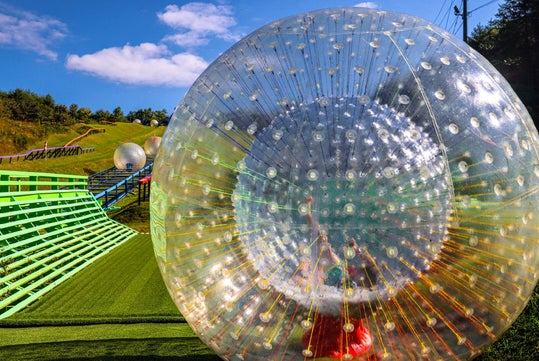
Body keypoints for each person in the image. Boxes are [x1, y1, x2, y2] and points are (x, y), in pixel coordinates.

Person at [300, 195, 378, 359]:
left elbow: (371, 268)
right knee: (323, 244)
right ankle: (308, 214)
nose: (358, 268)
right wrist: (357, 251)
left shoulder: (363, 292)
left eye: (360, 270)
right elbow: (370, 266)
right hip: (339, 279)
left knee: (323, 245)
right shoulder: (355, 277)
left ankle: (308, 215)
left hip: (339, 288)